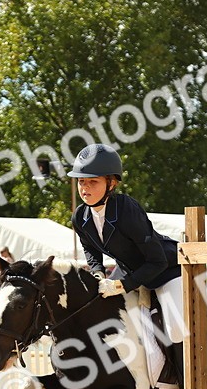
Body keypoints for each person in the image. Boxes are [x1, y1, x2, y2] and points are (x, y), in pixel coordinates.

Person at [67, 143, 183, 344]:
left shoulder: (126, 209)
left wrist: (122, 284)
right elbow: (90, 247)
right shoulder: (80, 216)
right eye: (81, 182)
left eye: (92, 182)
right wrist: (97, 272)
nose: (85, 188)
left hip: (165, 271)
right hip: (128, 270)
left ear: (111, 184)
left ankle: (183, 374)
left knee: (176, 332)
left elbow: (157, 261)